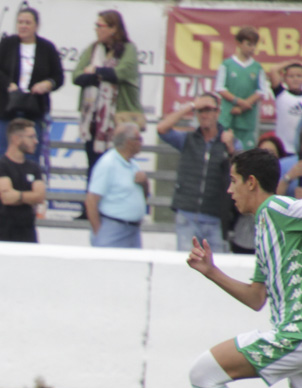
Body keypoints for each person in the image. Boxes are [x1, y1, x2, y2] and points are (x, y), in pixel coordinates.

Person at [184, 148, 302, 388]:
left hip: (295, 336)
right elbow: (256, 298)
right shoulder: (264, 227)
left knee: (204, 373)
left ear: (252, 182)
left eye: (233, 181)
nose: (229, 189)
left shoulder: (279, 209)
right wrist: (211, 272)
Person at [156, 93, 237, 253]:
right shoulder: (188, 138)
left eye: (208, 110)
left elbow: (240, 168)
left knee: (216, 270)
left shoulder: (228, 140)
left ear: (217, 112)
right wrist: (191, 105)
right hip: (187, 215)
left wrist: (231, 150)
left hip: (215, 218)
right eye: (200, 110)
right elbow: (161, 129)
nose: (204, 114)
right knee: (187, 268)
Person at [0, 6, 63, 168]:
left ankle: (29, 189)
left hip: (34, 107)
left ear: (36, 26)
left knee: (32, 154)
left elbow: (58, 77)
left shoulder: (47, 47)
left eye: (27, 22)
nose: (23, 26)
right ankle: (4, 189)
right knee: (3, 152)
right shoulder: (7, 44)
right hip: (5, 106)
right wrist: (8, 84)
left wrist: (47, 84)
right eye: (20, 22)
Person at [72, 10, 142, 185]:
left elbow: (121, 73)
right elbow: (77, 76)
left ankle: (111, 205)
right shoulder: (93, 49)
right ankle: (89, 207)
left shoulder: (128, 49)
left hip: (117, 119)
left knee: (116, 163)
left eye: (100, 25)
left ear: (113, 28)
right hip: (94, 119)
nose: (96, 29)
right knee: (93, 164)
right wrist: (101, 75)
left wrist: (95, 71)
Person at [84, 122, 148, 248]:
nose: (141, 142)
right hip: (113, 229)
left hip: (133, 230)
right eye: (139, 139)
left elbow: (144, 196)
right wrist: (99, 233)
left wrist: (145, 183)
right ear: (128, 142)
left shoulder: (134, 164)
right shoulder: (108, 163)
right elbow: (91, 201)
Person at [0, 118, 46, 243]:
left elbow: (40, 196)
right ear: (16, 139)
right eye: (31, 137)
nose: (36, 141)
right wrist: (29, 196)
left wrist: (18, 196)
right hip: (2, 232)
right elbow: (7, 198)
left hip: (27, 231)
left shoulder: (34, 167)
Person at [215, 27, 271, 151]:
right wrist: (238, 101)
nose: (252, 48)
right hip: (228, 117)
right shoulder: (227, 64)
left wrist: (244, 106)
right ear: (239, 43)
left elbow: (261, 90)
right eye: (248, 44)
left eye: (254, 45)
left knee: (246, 155)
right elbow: (220, 88)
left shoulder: (257, 67)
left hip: (247, 120)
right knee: (224, 151)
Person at [267, 61, 302, 155]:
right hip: (283, 148)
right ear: (285, 78)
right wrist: (294, 61)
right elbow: (274, 69)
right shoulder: (281, 94)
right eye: (291, 76)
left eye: (299, 76)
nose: (295, 79)